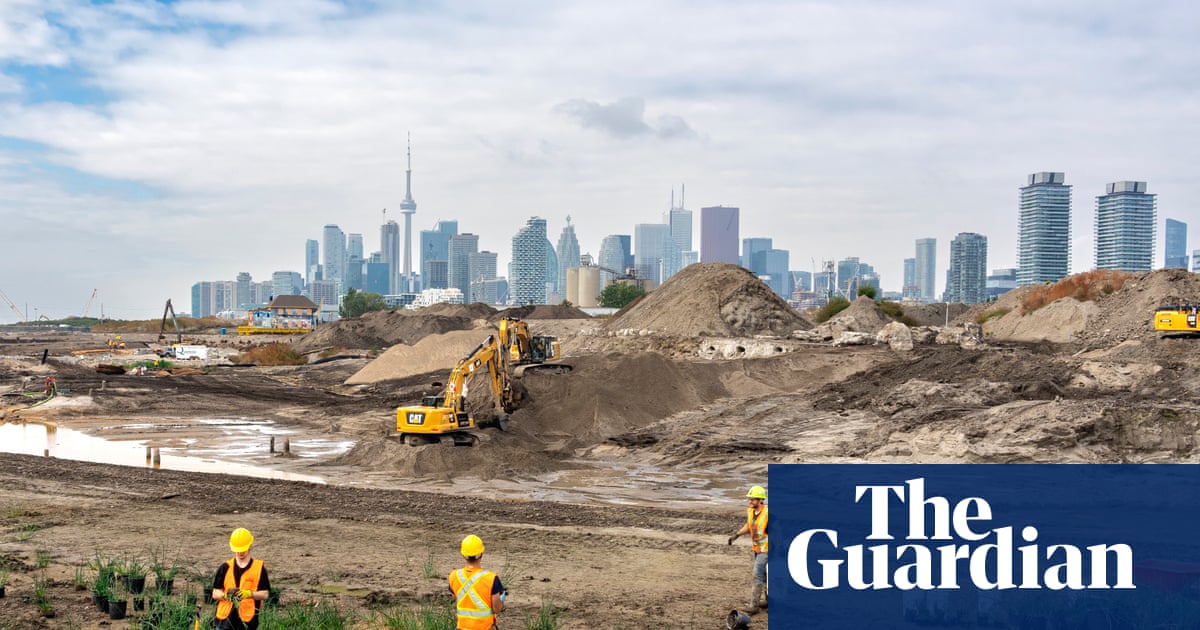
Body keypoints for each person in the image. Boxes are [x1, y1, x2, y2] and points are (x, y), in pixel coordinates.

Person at [212, 527, 271, 630]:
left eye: (243, 550)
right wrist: (225, 596)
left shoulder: (259, 569)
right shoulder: (225, 567)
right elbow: (215, 593)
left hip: (247, 622)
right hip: (224, 621)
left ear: (250, 546)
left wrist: (249, 594)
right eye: (237, 550)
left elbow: (265, 594)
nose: (240, 553)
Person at [448, 534, 506, 630]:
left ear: (463, 555)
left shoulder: (454, 576)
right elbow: (497, 609)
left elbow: (456, 597)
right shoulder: (491, 578)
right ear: (481, 554)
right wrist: (502, 601)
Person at [728, 485, 768, 613]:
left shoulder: (768, 513)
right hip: (757, 548)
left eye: (752, 499)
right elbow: (749, 525)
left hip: (767, 549)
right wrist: (737, 535)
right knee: (765, 577)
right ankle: (768, 601)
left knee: (757, 575)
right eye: (749, 499)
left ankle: (754, 606)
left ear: (760, 500)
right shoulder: (750, 511)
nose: (750, 501)